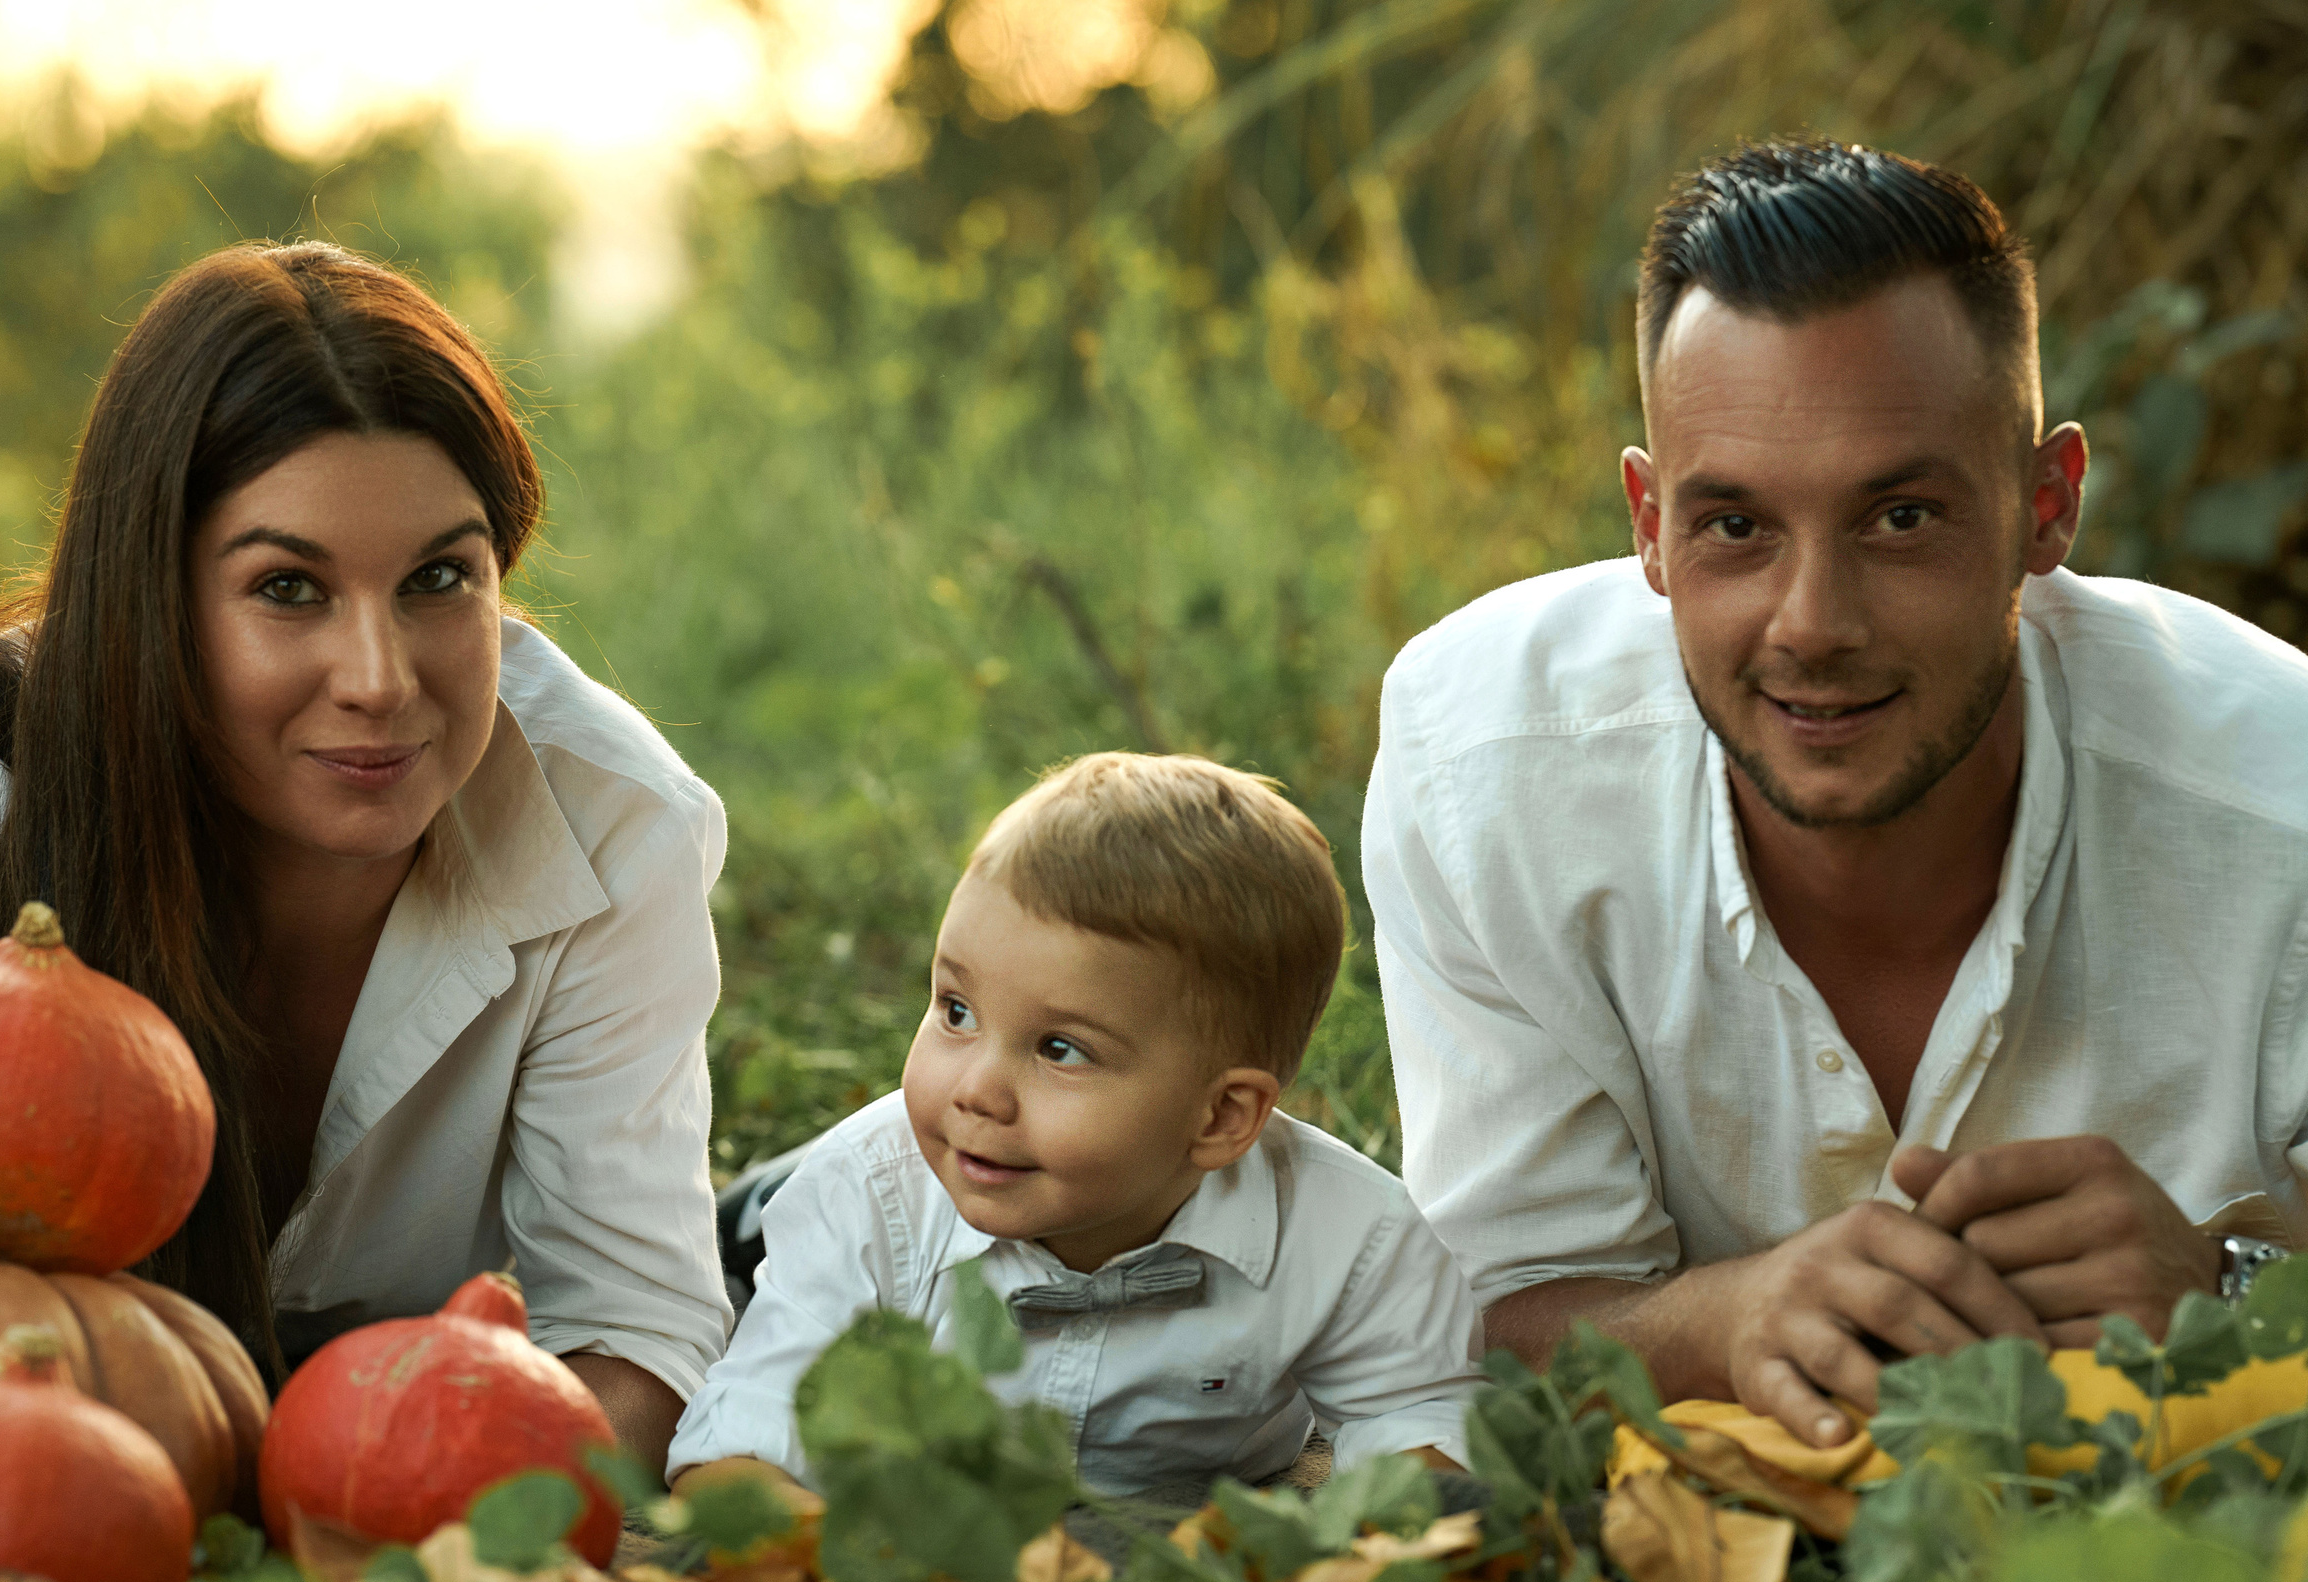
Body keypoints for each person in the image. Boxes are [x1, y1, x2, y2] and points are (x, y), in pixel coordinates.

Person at [1363, 138, 2308, 1450]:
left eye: (1900, 518)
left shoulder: (2285, 803)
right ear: (1647, 524)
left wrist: (2231, 1297)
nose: (1813, 623)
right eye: (1735, 526)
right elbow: (1476, 1320)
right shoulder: (1486, 766)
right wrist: (1720, 1320)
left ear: (2048, 505)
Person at [0, 242, 731, 1474]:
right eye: (287, 589)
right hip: (9, 1454)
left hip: (385, 1460)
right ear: (152, 598)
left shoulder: (612, 816)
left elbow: (637, 1333)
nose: (381, 682)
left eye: (441, 577)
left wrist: (363, 1509)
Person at [668, 754, 1480, 1502]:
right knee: (764, 1231)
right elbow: (731, 1460)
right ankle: (750, 1205)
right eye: (956, 1009)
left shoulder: (1352, 1239)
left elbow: (1426, 1429)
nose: (978, 1089)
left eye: (1060, 1048)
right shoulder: (862, 1197)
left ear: (1221, 1116)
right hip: (837, 1225)